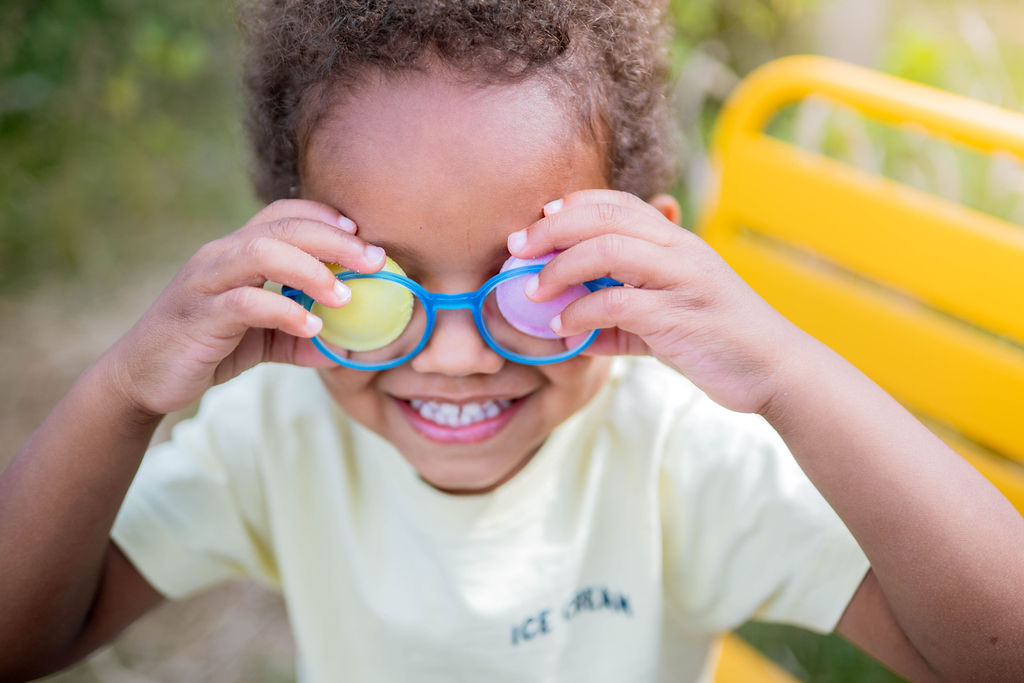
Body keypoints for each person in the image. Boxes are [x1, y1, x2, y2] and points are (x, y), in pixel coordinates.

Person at [2, 1, 1023, 681]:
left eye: (530, 279)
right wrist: (123, 392)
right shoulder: (274, 428)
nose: (453, 355)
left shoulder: (678, 452)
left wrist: (785, 368)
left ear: (640, 260)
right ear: (289, 272)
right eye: (379, 287)